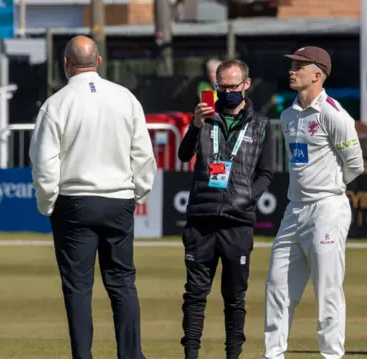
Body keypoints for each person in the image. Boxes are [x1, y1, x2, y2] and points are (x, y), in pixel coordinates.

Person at [29, 35, 157, 359]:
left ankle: (83, 356)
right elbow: (143, 154)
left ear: (66, 64)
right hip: (118, 200)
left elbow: (44, 164)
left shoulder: (56, 103)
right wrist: (137, 192)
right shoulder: (125, 98)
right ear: (98, 61)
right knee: (122, 283)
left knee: (77, 288)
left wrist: (48, 204)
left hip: (75, 202)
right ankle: (131, 355)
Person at [263, 46, 364, 359]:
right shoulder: (288, 114)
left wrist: (330, 189)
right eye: (292, 65)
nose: (292, 70)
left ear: (317, 75)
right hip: (294, 210)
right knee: (277, 285)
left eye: (299, 66)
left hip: (327, 208)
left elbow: (355, 165)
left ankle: (332, 355)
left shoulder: (334, 115)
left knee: (327, 289)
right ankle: (272, 354)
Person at [177, 59, 274, 359]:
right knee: (195, 295)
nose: (228, 91)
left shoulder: (260, 125)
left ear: (246, 85)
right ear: (215, 86)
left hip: (237, 222)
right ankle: (190, 354)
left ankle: (233, 355)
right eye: (223, 87)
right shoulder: (205, 118)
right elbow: (183, 155)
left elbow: (266, 173)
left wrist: (246, 199)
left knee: (234, 297)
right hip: (201, 219)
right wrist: (194, 127)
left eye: (234, 86)